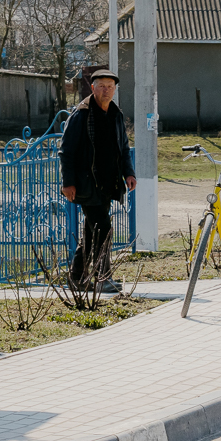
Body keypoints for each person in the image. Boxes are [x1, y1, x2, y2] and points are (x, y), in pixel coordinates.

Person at [59, 68, 136, 293]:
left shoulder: (115, 114)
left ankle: (77, 278)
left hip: (108, 183)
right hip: (86, 183)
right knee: (103, 228)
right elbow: (66, 151)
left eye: (110, 87)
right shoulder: (81, 114)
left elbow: (123, 148)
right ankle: (103, 278)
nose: (106, 90)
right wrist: (68, 182)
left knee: (92, 233)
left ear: (115, 89)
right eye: (101, 86)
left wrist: (129, 173)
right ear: (93, 88)